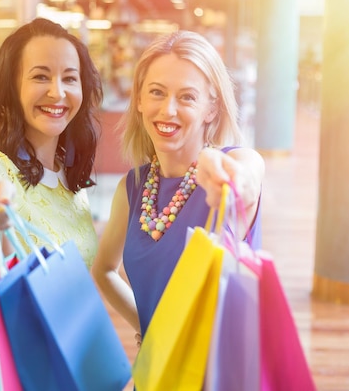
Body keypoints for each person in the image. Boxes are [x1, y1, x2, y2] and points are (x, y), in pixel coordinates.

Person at [91, 30, 265, 346]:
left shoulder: (235, 163)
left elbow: (247, 180)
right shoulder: (131, 187)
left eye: (187, 97)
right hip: (156, 374)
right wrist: (150, 329)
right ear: (140, 100)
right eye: (157, 92)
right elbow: (103, 270)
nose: (168, 110)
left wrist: (227, 176)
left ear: (211, 109)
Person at [0, 17, 103, 278]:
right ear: (12, 87)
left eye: (69, 78)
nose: (57, 92)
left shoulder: (69, 176)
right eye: (41, 77)